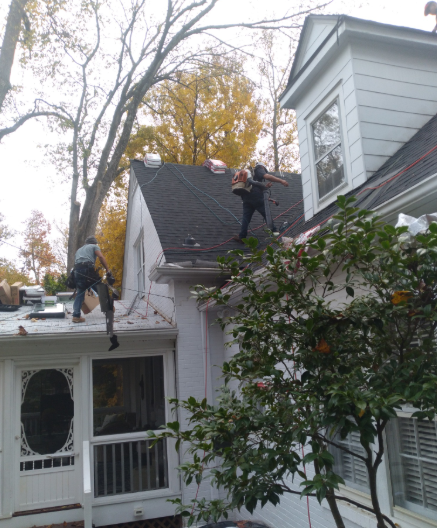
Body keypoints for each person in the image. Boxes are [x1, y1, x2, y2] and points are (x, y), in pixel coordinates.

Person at [233, 162, 289, 243]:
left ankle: (242, 236)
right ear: (263, 167)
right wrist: (281, 181)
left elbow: (254, 185)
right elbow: (267, 176)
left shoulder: (251, 175)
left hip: (246, 197)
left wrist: (265, 187)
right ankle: (275, 232)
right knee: (266, 213)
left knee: (246, 217)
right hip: (256, 197)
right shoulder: (259, 169)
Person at [72, 236, 110, 323]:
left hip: (77, 271)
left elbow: (76, 262)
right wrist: (107, 269)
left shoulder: (79, 250)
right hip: (87, 269)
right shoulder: (94, 247)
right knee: (100, 289)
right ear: (94, 243)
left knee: (80, 292)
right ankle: (108, 310)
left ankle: (76, 316)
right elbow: (100, 257)